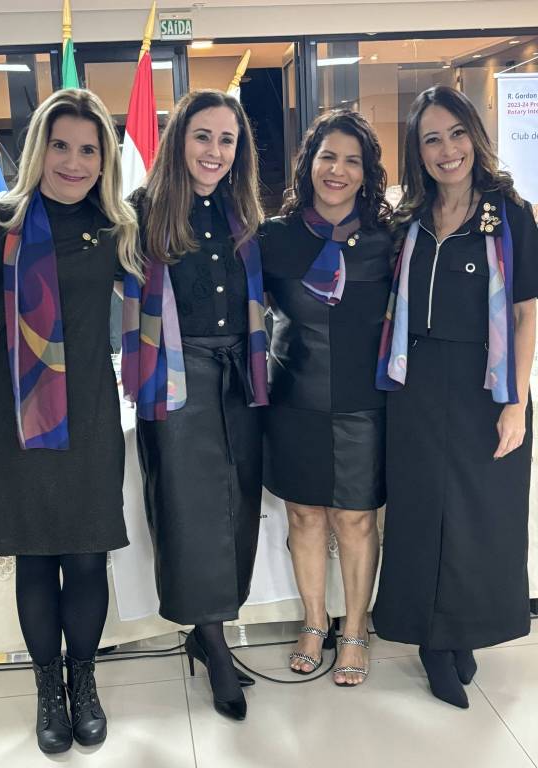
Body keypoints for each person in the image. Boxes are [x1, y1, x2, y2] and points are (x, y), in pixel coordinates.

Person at [0, 89, 141, 753]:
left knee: (88, 558)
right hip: (12, 419)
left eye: (89, 150)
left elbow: (154, 307)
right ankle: (48, 689)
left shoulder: (118, 227)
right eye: (60, 146)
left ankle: (83, 680)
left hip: (91, 415)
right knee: (34, 560)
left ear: (104, 160)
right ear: (39, 147)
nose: (73, 161)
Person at [373, 85, 538, 708]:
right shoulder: (408, 220)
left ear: (476, 135)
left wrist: (515, 402)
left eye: (456, 134)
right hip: (414, 385)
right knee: (420, 515)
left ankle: (464, 630)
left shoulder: (509, 214)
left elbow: (525, 313)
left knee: (480, 517)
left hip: (486, 385)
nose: (447, 150)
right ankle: (431, 642)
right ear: (418, 151)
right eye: (432, 139)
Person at [118, 89, 268, 721]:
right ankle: (209, 639)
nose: (214, 150)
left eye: (227, 139)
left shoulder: (244, 212)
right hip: (175, 381)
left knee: (238, 506)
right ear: (178, 139)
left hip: (241, 377)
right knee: (189, 513)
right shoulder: (139, 212)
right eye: (202, 135)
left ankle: (213, 632)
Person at [260, 110, 393, 685]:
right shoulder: (274, 237)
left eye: (352, 161)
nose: (337, 170)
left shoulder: (390, 240)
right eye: (327, 156)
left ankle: (356, 629)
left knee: (356, 520)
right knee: (304, 514)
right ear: (308, 164)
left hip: (365, 401)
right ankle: (315, 622)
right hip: (294, 396)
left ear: (366, 173)